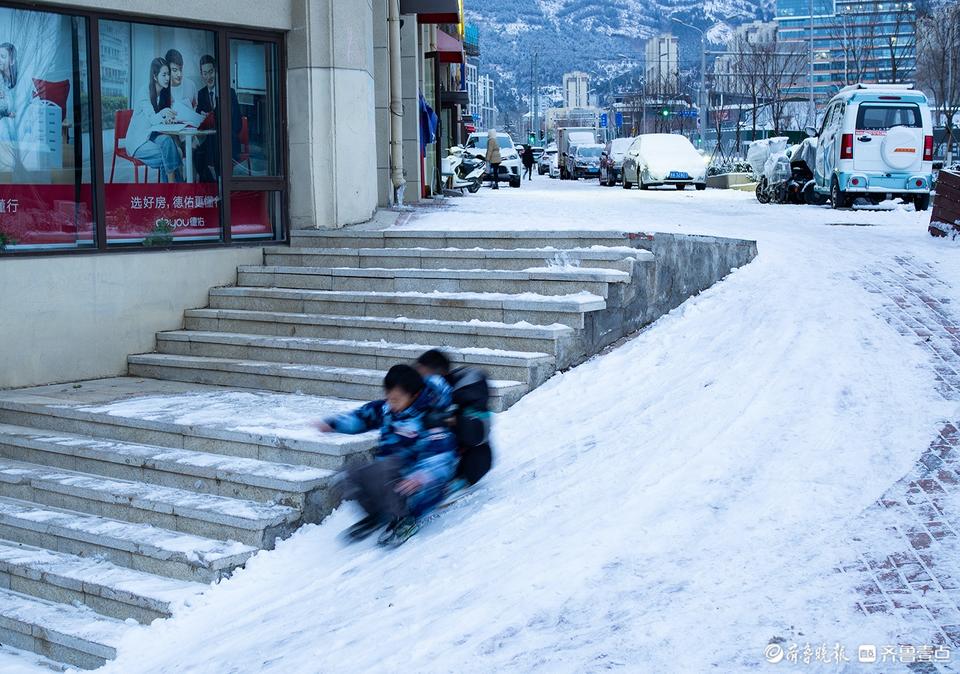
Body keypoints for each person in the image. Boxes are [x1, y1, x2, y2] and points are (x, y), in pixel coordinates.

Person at [316, 364, 457, 546]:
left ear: (414, 395)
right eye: (389, 398)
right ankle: (378, 513)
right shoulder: (388, 409)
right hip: (391, 476)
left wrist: (421, 477)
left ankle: (405, 518)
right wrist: (333, 424)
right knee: (348, 473)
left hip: (422, 486)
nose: (391, 404)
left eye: (396, 399)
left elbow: (442, 457)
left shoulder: (431, 417)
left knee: (386, 469)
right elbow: (362, 418)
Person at [415, 349, 493, 490]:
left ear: (441, 375)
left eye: (425, 375)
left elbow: (479, 432)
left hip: (471, 460)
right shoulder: (422, 393)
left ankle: (453, 479)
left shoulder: (466, 389)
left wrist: (447, 420)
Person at [125, 57, 182, 183]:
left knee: (168, 142)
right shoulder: (144, 92)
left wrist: (168, 119)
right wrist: (163, 114)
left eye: (168, 74)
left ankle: (174, 193)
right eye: (164, 74)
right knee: (170, 157)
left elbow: (159, 121)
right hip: (138, 142)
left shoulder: (163, 94)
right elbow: (152, 119)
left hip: (151, 136)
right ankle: (175, 191)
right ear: (155, 76)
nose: (167, 78)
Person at [194, 54, 241, 182]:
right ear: (201, 75)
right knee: (195, 151)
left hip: (227, 141)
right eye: (205, 73)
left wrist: (217, 118)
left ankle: (220, 184)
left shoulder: (228, 92)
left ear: (216, 71)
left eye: (211, 72)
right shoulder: (201, 94)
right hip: (209, 142)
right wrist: (201, 117)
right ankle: (209, 184)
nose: (209, 77)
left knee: (215, 146)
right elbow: (197, 123)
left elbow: (237, 124)